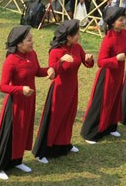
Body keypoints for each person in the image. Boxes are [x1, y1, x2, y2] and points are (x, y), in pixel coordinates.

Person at [0, 26, 55, 180]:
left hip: (29, 101)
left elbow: (36, 71)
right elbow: (3, 86)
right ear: (19, 44)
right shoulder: (11, 60)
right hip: (15, 103)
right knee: (10, 134)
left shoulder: (32, 54)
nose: (32, 42)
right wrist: (21, 89)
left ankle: (16, 160)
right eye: (29, 40)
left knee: (23, 132)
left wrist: (49, 70)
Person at [32, 20, 94, 163]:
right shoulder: (56, 51)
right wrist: (60, 61)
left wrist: (89, 59)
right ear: (68, 37)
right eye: (76, 34)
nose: (79, 36)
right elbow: (51, 72)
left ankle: (64, 144)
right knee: (55, 119)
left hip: (73, 88)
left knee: (69, 116)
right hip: (59, 90)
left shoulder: (77, 47)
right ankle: (44, 150)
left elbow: (86, 63)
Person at [80, 7, 126, 142]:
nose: (124, 21)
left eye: (124, 18)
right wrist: (115, 59)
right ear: (113, 23)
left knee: (115, 100)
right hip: (107, 76)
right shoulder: (108, 39)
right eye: (121, 20)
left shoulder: (124, 34)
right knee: (102, 103)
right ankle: (90, 132)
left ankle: (110, 127)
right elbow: (100, 61)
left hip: (118, 74)